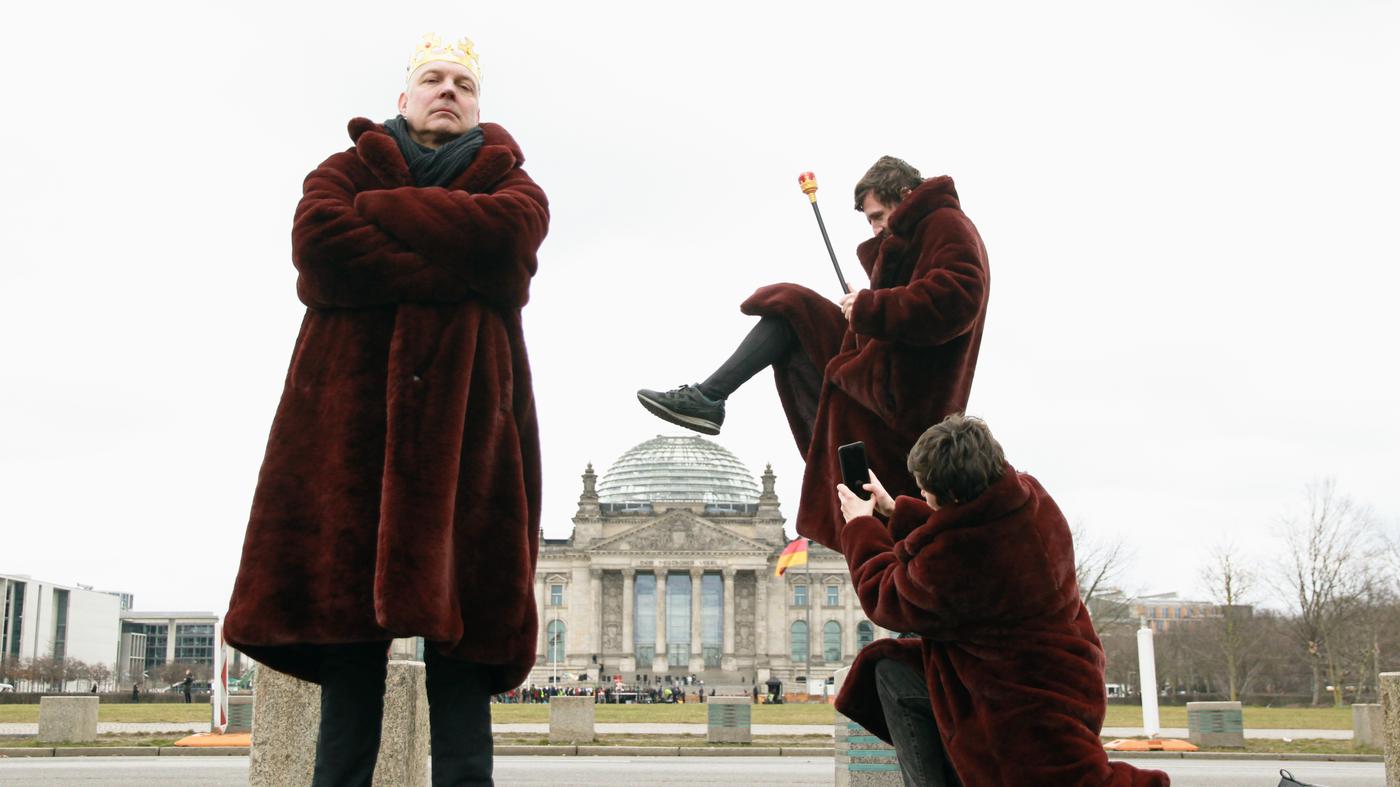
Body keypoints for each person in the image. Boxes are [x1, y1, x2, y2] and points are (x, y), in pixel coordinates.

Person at [224, 33, 549, 787]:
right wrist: (456, 257)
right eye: (432, 79)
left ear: (477, 104)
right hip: (349, 445)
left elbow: (507, 249)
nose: (447, 91)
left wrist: (384, 217)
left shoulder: (516, 186)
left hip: (469, 449)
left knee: (463, 690)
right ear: (402, 97)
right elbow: (321, 249)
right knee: (348, 686)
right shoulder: (340, 171)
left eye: (462, 83)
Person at [638, 157, 989, 549]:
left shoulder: (946, 224)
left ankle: (707, 398)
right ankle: (708, 398)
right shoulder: (921, 232)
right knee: (790, 307)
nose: (874, 228)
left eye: (878, 216)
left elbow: (958, 297)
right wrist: (869, 304)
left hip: (902, 394)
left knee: (794, 310)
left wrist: (872, 307)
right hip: (877, 367)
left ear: (905, 196)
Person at [833, 415, 1169, 787]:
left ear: (954, 496)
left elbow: (886, 597)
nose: (923, 495)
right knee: (889, 666)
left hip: (1015, 697)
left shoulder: (958, 560)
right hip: (1069, 667)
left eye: (926, 490)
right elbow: (968, 527)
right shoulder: (1030, 497)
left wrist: (860, 527)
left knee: (891, 673)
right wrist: (896, 509)